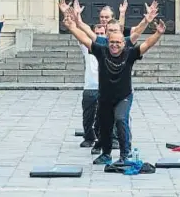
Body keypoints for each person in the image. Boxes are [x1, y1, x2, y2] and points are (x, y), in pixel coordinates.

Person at [62, 11, 166, 165]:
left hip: (123, 96)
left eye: (118, 42)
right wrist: (71, 27)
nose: (115, 45)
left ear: (124, 43)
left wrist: (158, 33)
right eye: (112, 42)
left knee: (120, 119)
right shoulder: (101, 51)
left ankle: (125, 154)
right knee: (105, 124)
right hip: (105, 97)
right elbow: (84, 39)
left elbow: (147, 44)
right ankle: (106, 154)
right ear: (107, 41)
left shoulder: (130, 53)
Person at [79, 24, 106, 148]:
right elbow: (79, 34)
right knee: (88, 115)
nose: (99, 36)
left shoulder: (110, 47)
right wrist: (75, 17)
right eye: (97, 33)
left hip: (106, 87)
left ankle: (107, 138)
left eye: (102, 33)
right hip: (90, 86)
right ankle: (89, 137)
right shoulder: (88, 47)